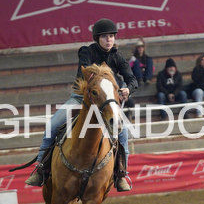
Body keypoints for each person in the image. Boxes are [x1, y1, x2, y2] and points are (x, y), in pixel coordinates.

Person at [25, 18, 138, 191]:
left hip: (105, 103)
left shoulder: (118, 56)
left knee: (123, 133)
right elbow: (84, 73)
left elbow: (132, 79)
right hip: (81, 99)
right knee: (52, 126)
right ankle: (40, 169)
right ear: (97, 38)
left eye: (111, 36)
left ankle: (121, 174)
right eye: (105, 36)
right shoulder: (86, 51)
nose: (109, 39)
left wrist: (128, 89)